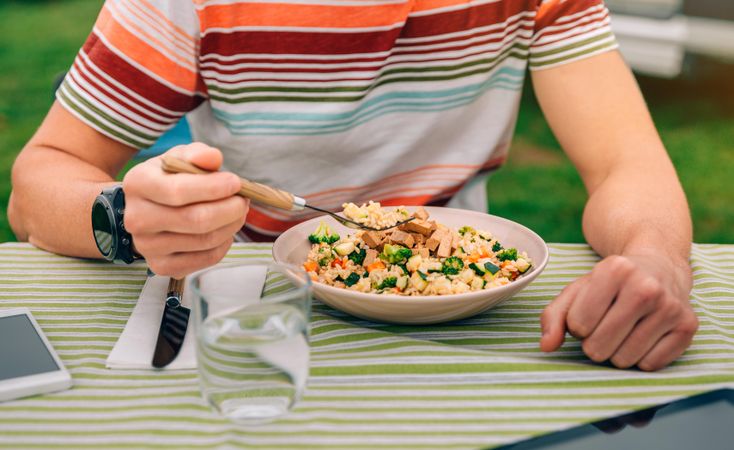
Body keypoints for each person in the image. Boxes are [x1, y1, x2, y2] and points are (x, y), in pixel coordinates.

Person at [8, 0, 698, 371]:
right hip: (259, 317)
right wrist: (126, 218)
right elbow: (39, 184)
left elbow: (625, 164)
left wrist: (654, 257)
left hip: (473, 325)